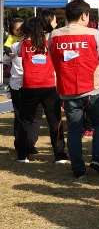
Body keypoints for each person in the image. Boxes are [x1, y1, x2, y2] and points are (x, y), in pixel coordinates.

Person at [49, 0, 99, 181]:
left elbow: (52, 57)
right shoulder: (93, 33)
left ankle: (78, 169)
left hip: (67, 89)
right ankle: (97, 157)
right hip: (91, 88)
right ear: (84, 15)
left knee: (75, 130)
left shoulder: (53, 35)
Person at [12, 13, 67, 163]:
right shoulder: (50, 42)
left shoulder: (22, 44)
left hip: (29, 86)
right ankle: (59, 155)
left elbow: (15, 52)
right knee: (54, 120)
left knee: (25, 121)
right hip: (50, 86)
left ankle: (23, 155)